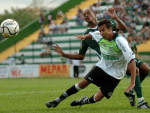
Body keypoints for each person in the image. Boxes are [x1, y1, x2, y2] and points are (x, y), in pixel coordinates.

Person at [46, 19, 136, 108]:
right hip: (102, 67)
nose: (101, 33)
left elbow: (132, 61)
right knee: (82, 83)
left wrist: (132, 83)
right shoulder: (99, 35)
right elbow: (92, 34)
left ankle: (83, 101)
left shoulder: (120, 41)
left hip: (116, 74)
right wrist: (84, 36)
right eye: (100, 30)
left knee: (98, 98)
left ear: (110, 29)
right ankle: (57, 100)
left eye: (103, 30)